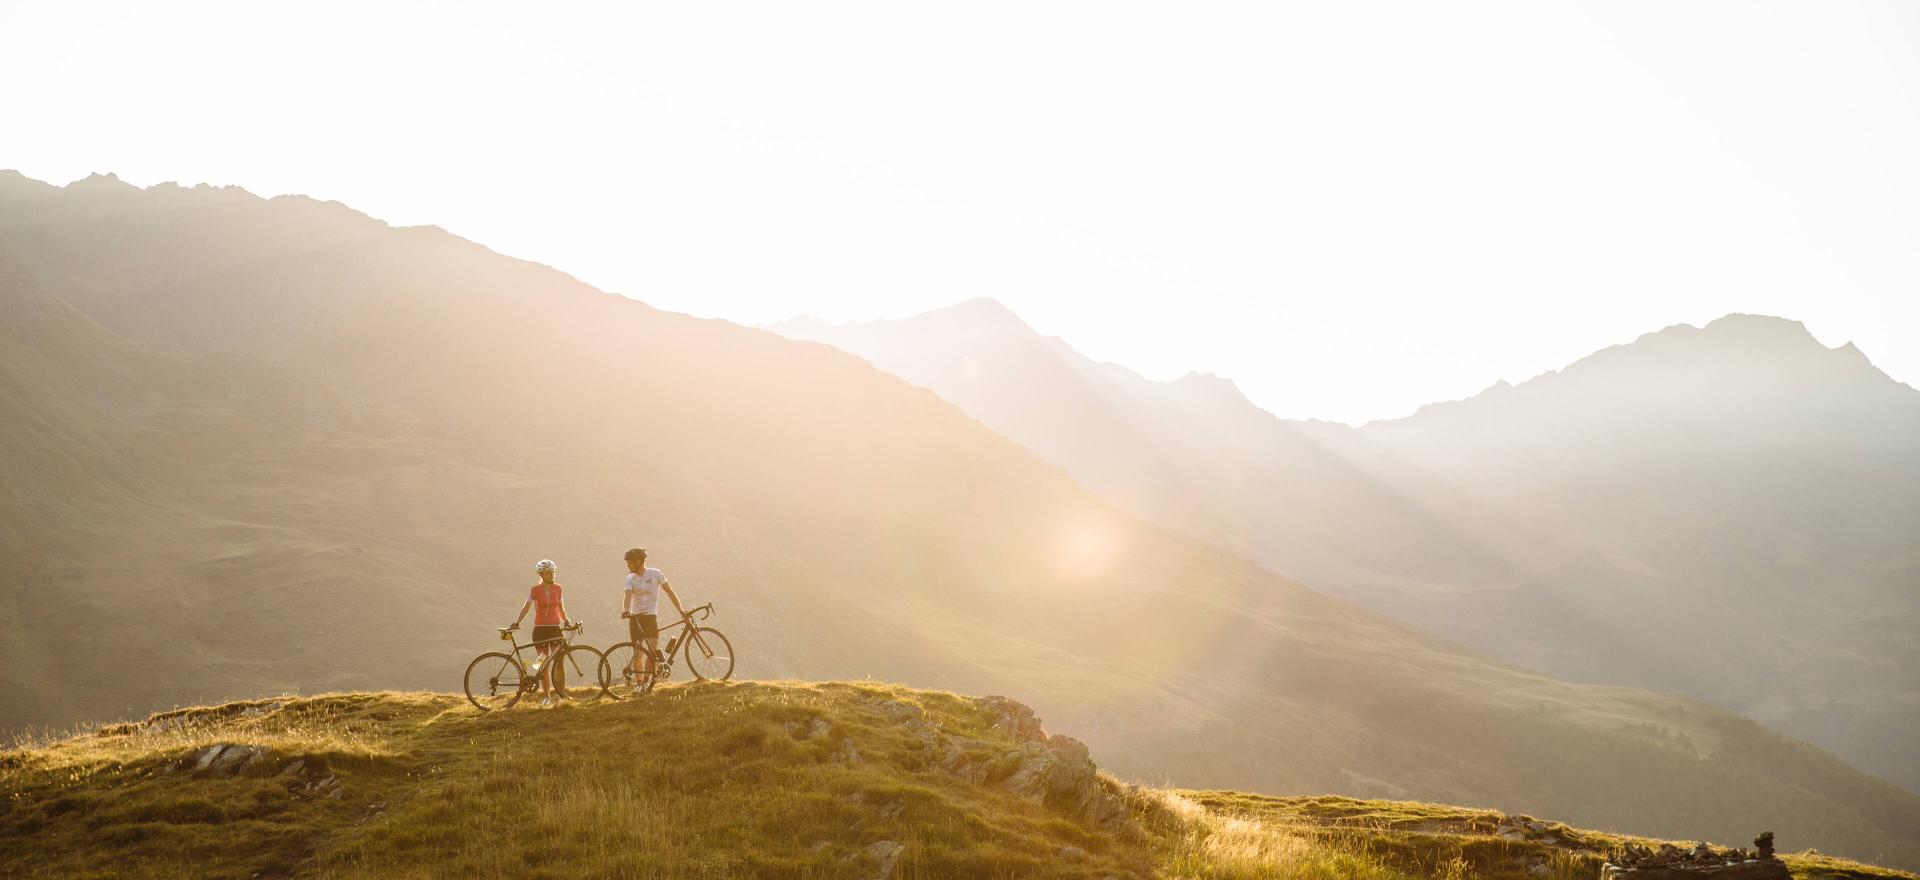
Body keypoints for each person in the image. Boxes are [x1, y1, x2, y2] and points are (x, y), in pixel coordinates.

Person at [509, 559, 571, 707]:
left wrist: (566, 620)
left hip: (555, 628)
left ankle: (561, 695)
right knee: (543, 664)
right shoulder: (535, 590)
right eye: (549, 572)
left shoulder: (558, 588)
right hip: (540, 630)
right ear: (541, 574)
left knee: (559, 662)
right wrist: (518, 622)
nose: (552, 575)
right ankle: (546, 697)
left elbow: (560, 608)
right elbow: (526, 608)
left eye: (553, 572)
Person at [620, 548, 686, 685]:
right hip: (635, 619)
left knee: (651, 651)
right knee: (638, 653)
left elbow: (669, 591)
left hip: (650, 617)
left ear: (639, 561)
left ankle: (646, 683)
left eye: (629, 562)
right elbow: (627, 596)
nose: (627, 565)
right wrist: (626, 610)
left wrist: (681, 609)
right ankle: (639, 685)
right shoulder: (629, 579)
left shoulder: (655, 574)